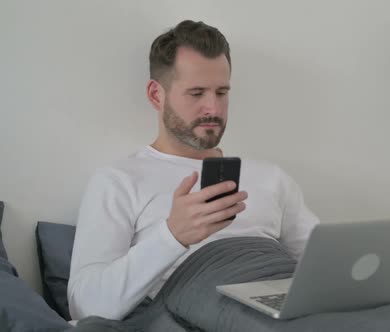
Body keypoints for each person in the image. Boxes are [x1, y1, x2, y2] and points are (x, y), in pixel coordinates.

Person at [67, 20, 319, 321]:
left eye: (222, 92)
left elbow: (327, 266)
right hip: (203, 308)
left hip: (286, 309)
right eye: (196, 93)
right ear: (155, 95)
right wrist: (172, 235)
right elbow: (85, 307)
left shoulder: (272, 178)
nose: (213, 108)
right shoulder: (119, 180)